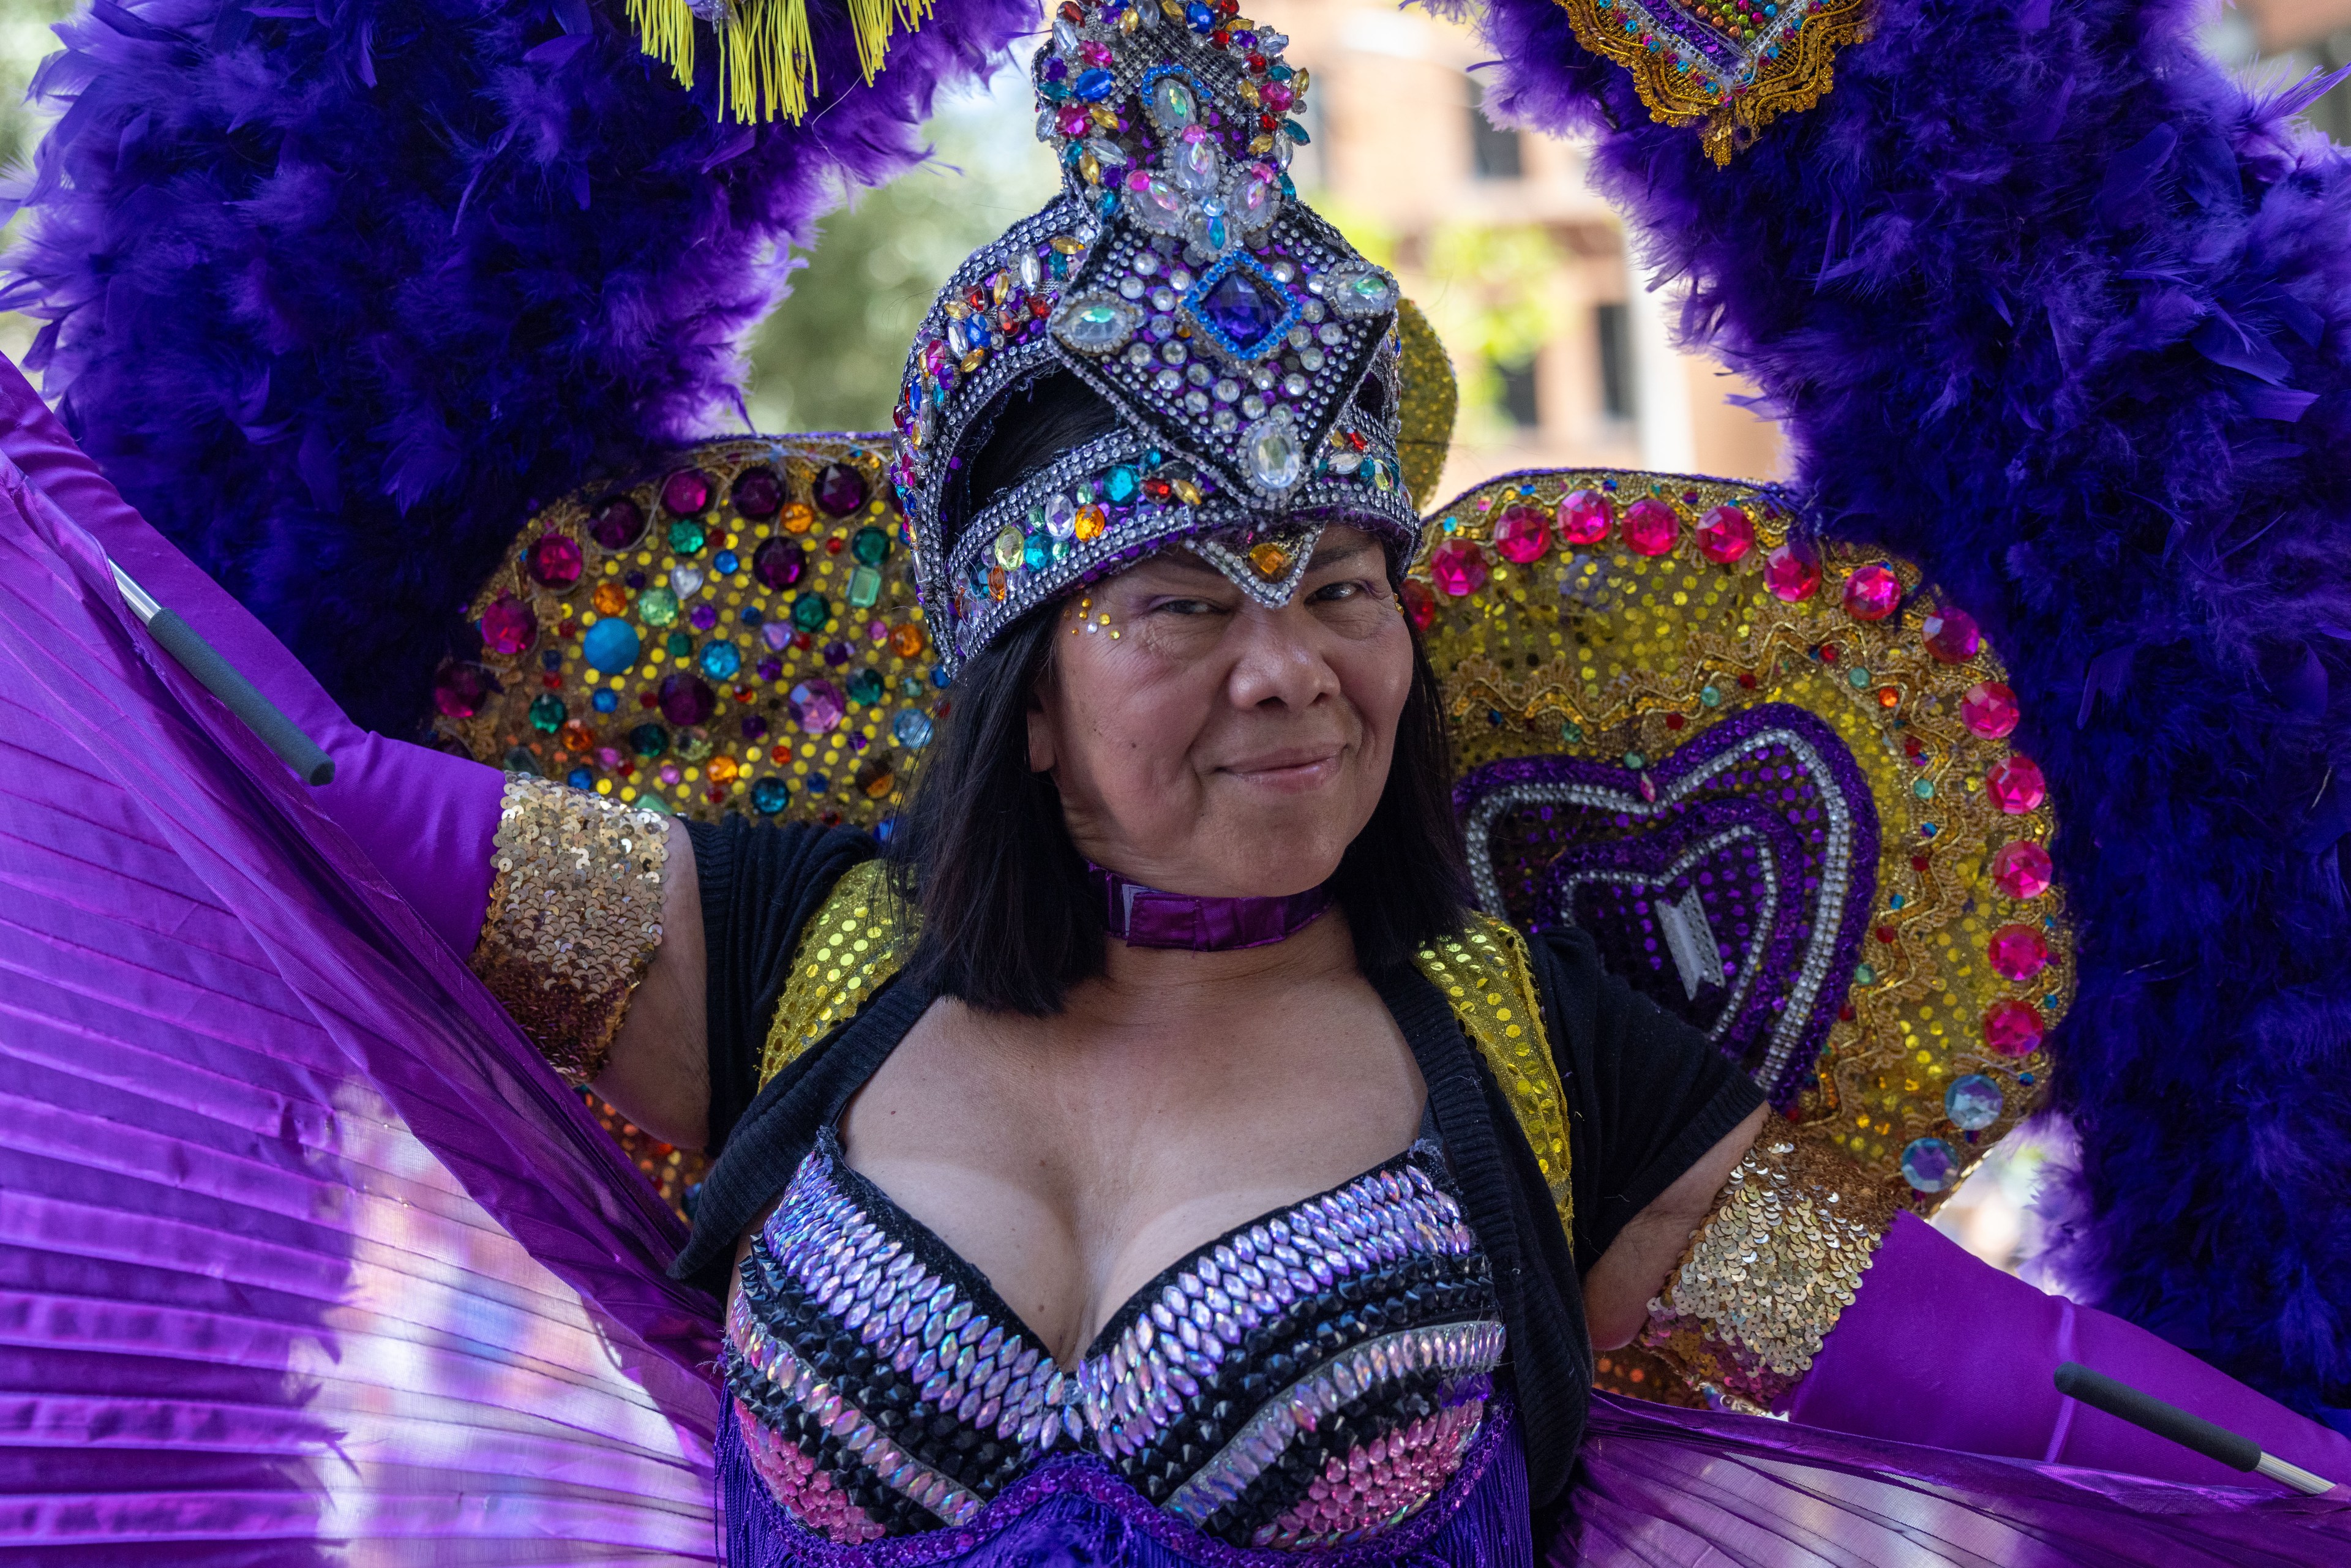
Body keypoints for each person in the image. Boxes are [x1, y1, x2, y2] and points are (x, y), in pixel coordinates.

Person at [3, 0, 2350, 1563]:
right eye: (1180, 605)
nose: (1291, 670)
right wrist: (49, 499)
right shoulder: (776, 951)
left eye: (1342, 581)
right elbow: (281, 766)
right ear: (1024, 692)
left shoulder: (1539, 1062)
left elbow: (2067, 1403)